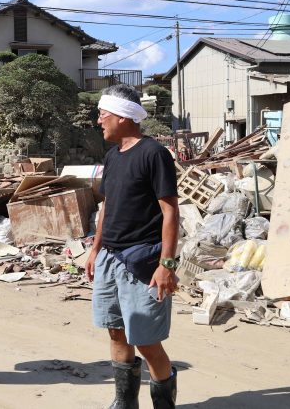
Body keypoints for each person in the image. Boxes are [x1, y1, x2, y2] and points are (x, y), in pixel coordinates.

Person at [84, 84, 180, 409]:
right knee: (115, 332)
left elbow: (170, 211)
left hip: (143, 263)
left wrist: (166, 266)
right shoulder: (112, 157)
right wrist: (96, 249)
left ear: (122, 116)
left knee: (147, 342)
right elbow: (108, 206)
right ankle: (125, 403)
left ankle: (163, 404)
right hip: (110, 258)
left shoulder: (154, 154)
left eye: (103, 114)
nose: (99, 121)